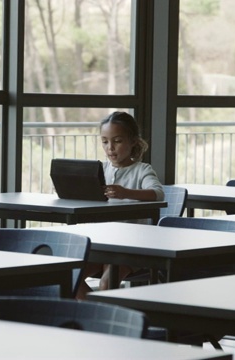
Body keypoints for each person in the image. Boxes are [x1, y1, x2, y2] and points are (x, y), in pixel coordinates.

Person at [76, 111, 164, 299]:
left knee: (107, 281)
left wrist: (126, 193)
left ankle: (108, 321)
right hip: (101, 244)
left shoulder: (142, 170)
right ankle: (96, 316)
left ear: (133, 141)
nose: (110, 148)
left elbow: (157, 193)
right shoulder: (99, 170)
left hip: (132, 247)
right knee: (69, 275)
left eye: (117, 141)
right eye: (105, 142)